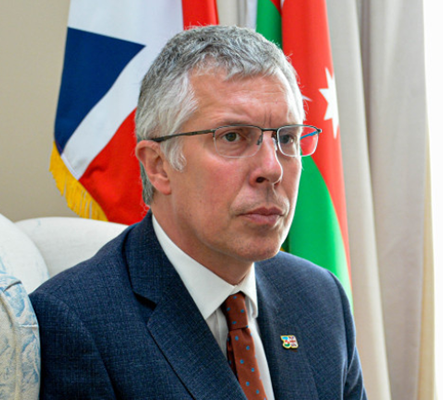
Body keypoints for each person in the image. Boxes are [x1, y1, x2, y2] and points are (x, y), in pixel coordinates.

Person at [30, 25, 367, 399]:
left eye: (286, 138)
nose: (272, 168)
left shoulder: (320, 297)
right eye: (232, 137)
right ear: (158, 165)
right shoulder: (77, 321)